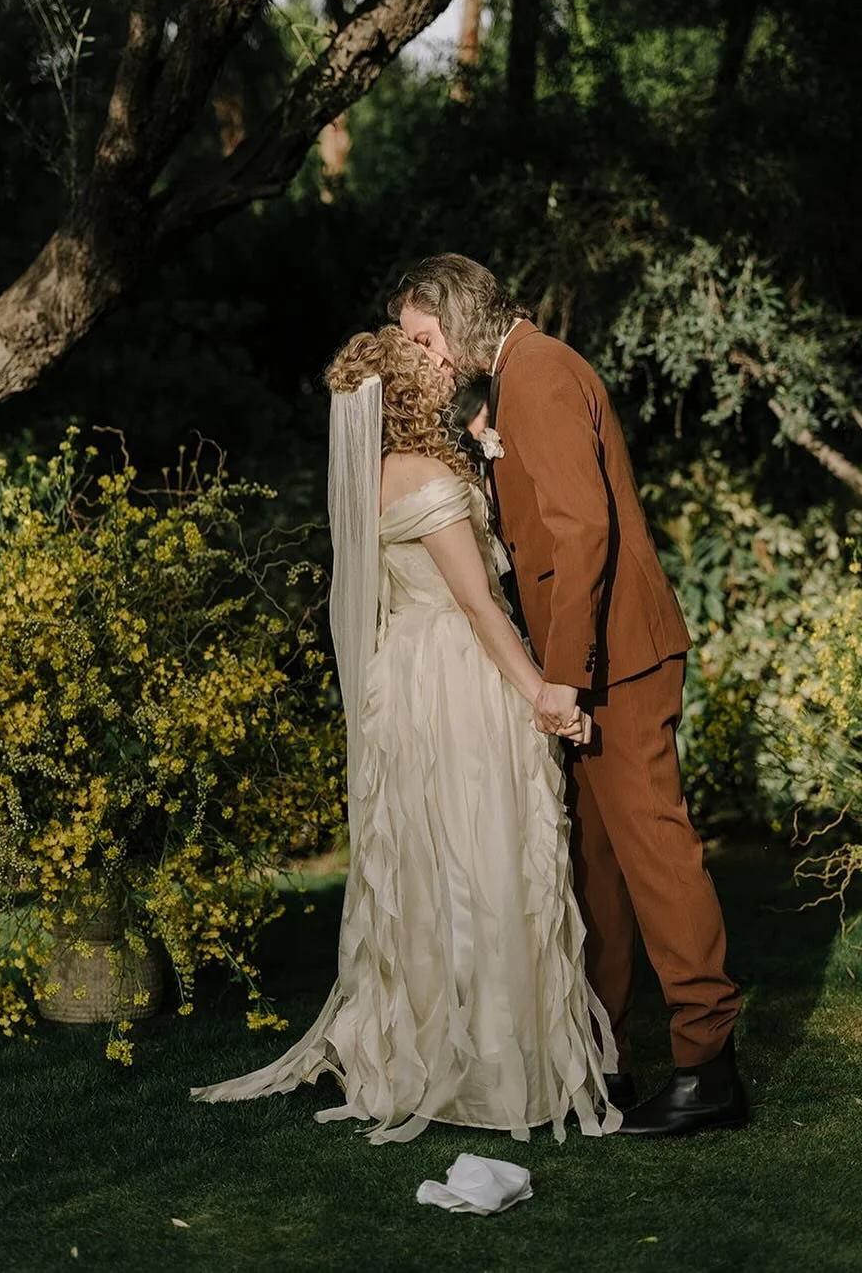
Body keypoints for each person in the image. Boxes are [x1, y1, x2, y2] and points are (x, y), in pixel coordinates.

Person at [191, 326, 622, 1145]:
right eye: (426, 364)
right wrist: (543, 696)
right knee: (481, 854)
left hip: (407, 678)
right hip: (459, 676)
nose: (442, 366)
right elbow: (478, 603)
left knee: (435, 861)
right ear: (406, 393)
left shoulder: (382, 477)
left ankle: (434, 1048)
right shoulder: (425, 477)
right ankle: (492, 1062)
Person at [391, 253, 747, 1139]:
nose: (422, 359)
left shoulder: (541, 370)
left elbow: (583, 531)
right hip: (591, 659)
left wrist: (564, 674)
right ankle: (604, 1054)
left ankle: (708, 1066)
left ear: (461, 318)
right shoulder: (512, 380)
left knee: (655, 852)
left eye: (425, 339)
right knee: (595, 866)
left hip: (613, 661)